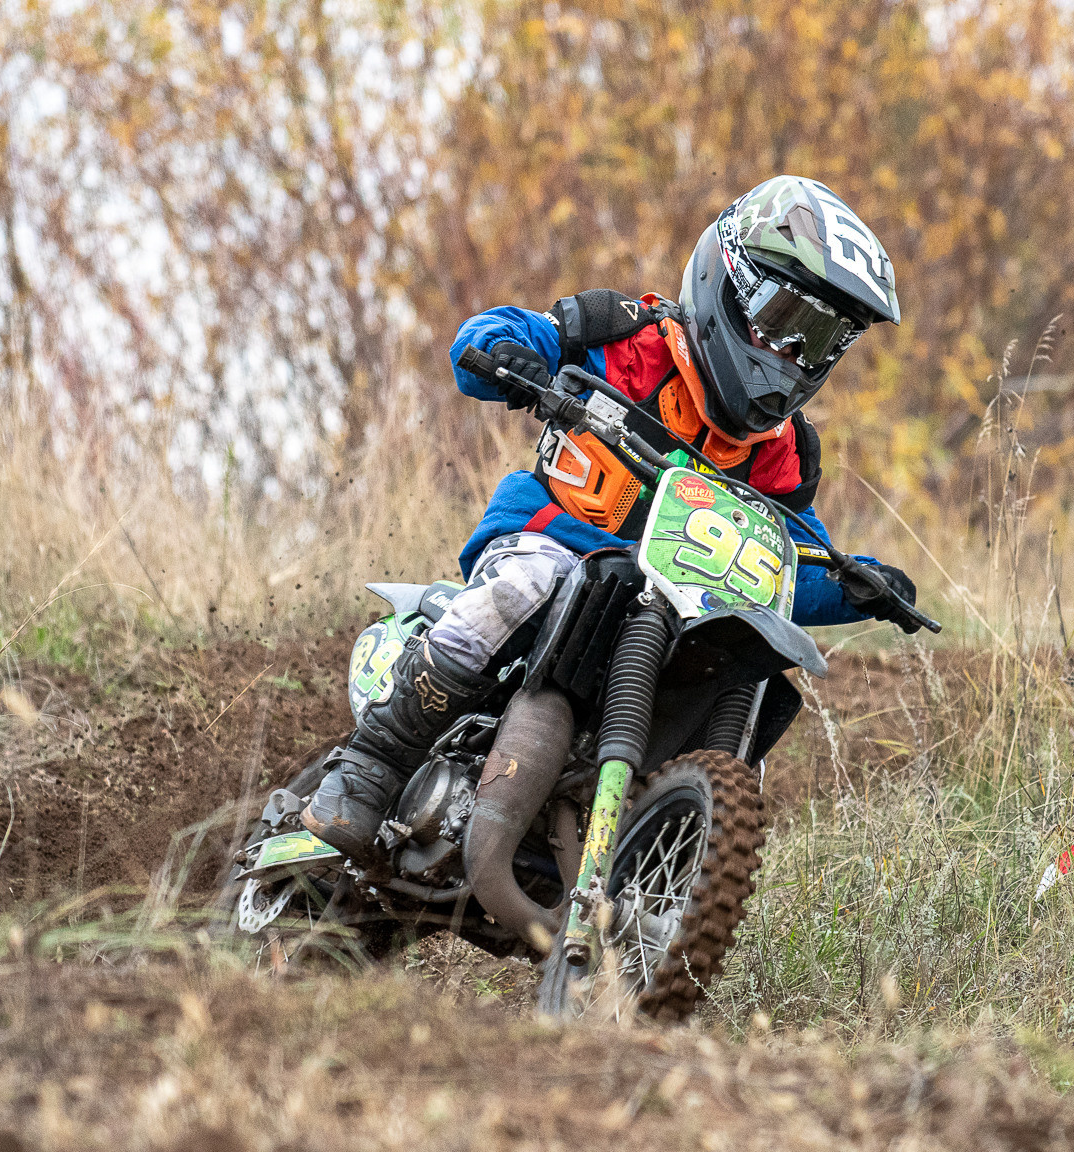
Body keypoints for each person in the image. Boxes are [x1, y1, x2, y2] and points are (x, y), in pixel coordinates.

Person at [302, 175, 918, 868]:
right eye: (785, 322)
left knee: (749, 665)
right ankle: (370, 764)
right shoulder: (623, 335)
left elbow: (788, 561)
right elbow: (489, 338)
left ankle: (669, 885)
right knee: (531, 580)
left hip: (673, 611)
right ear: (731, 279)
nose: (791, 356)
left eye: (820, 341)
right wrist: (509, 355)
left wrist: (859, 582)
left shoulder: (784, 454)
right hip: (553, 543)